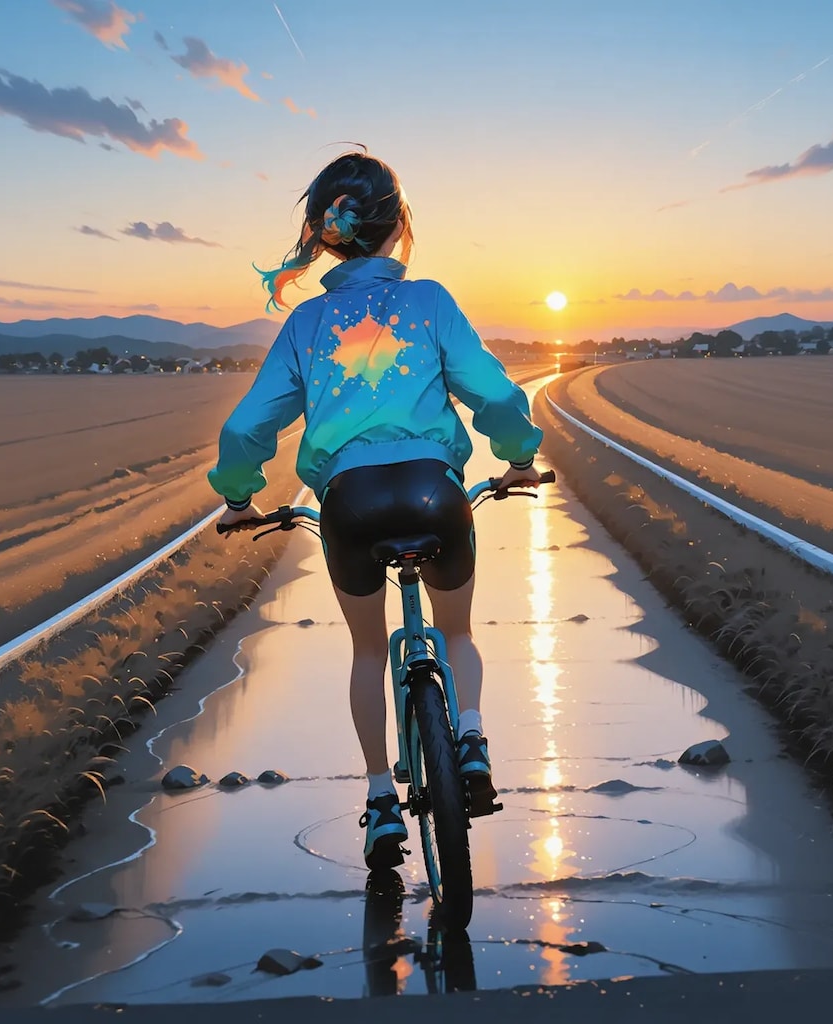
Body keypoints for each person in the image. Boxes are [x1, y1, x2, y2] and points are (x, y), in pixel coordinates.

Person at [208, 148, 545, 870]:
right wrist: (517, 457)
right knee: (457, 633)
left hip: (349, 506)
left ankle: (379, 800)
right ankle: (474, 740)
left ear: (326, 234)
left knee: (369, 650)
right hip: (435, 492)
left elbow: (245, 430)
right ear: (398, 227)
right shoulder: (430, 301)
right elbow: (492, 392)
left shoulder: (306, 325)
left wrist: (240, 499)